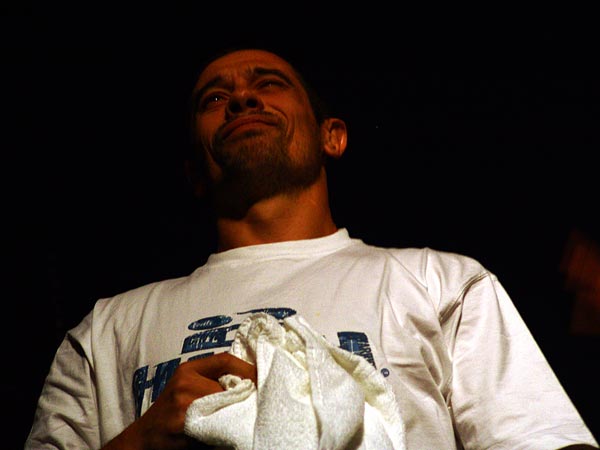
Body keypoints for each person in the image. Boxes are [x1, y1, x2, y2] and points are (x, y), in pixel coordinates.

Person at [25, 47, 598, 450]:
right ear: (194, 172)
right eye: (215, 97)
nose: (242, 98)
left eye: (268, 83)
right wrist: (136, 442)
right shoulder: (106, 330)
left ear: (333, 136)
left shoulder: (442, 283)